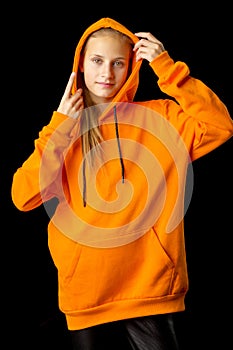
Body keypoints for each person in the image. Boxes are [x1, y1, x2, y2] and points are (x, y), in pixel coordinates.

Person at [11, 17, 233, 350]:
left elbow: (218, 126)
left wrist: (167, 68)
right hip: (86, 296)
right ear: (80, 66)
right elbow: (23, 196)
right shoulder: (63, 132)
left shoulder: (161, 118)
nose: (107, 73)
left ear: (132, 66)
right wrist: (59, 129)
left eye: (118, 63)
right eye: (97, 61)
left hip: (152, 289)